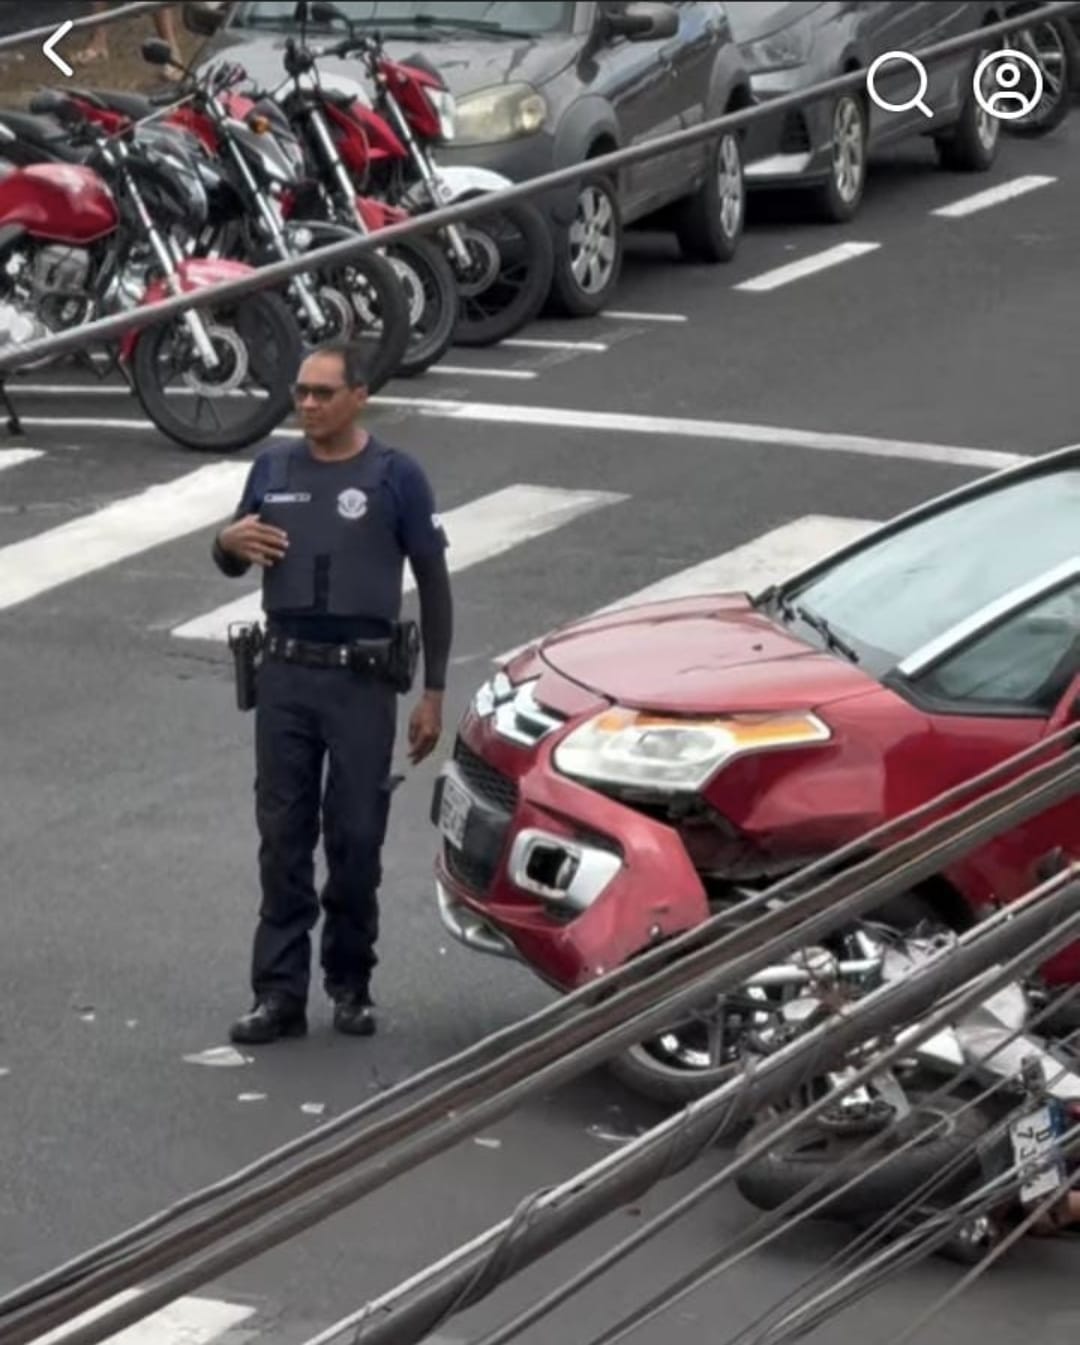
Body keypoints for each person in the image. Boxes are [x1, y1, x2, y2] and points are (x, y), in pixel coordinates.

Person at [212, 340, 453, 1044]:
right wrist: (226, 544)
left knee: (354, 835)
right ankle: (278, 992)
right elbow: (231, 555)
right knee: (282, 836)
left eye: (322, 393)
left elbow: (434, 586)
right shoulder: (272, 468)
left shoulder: (395, 477)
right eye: (301, 393)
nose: (308, 405)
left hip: (361, 681)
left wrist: (433, 691)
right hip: (285, 675)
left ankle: (350, 982)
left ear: (358, 397)